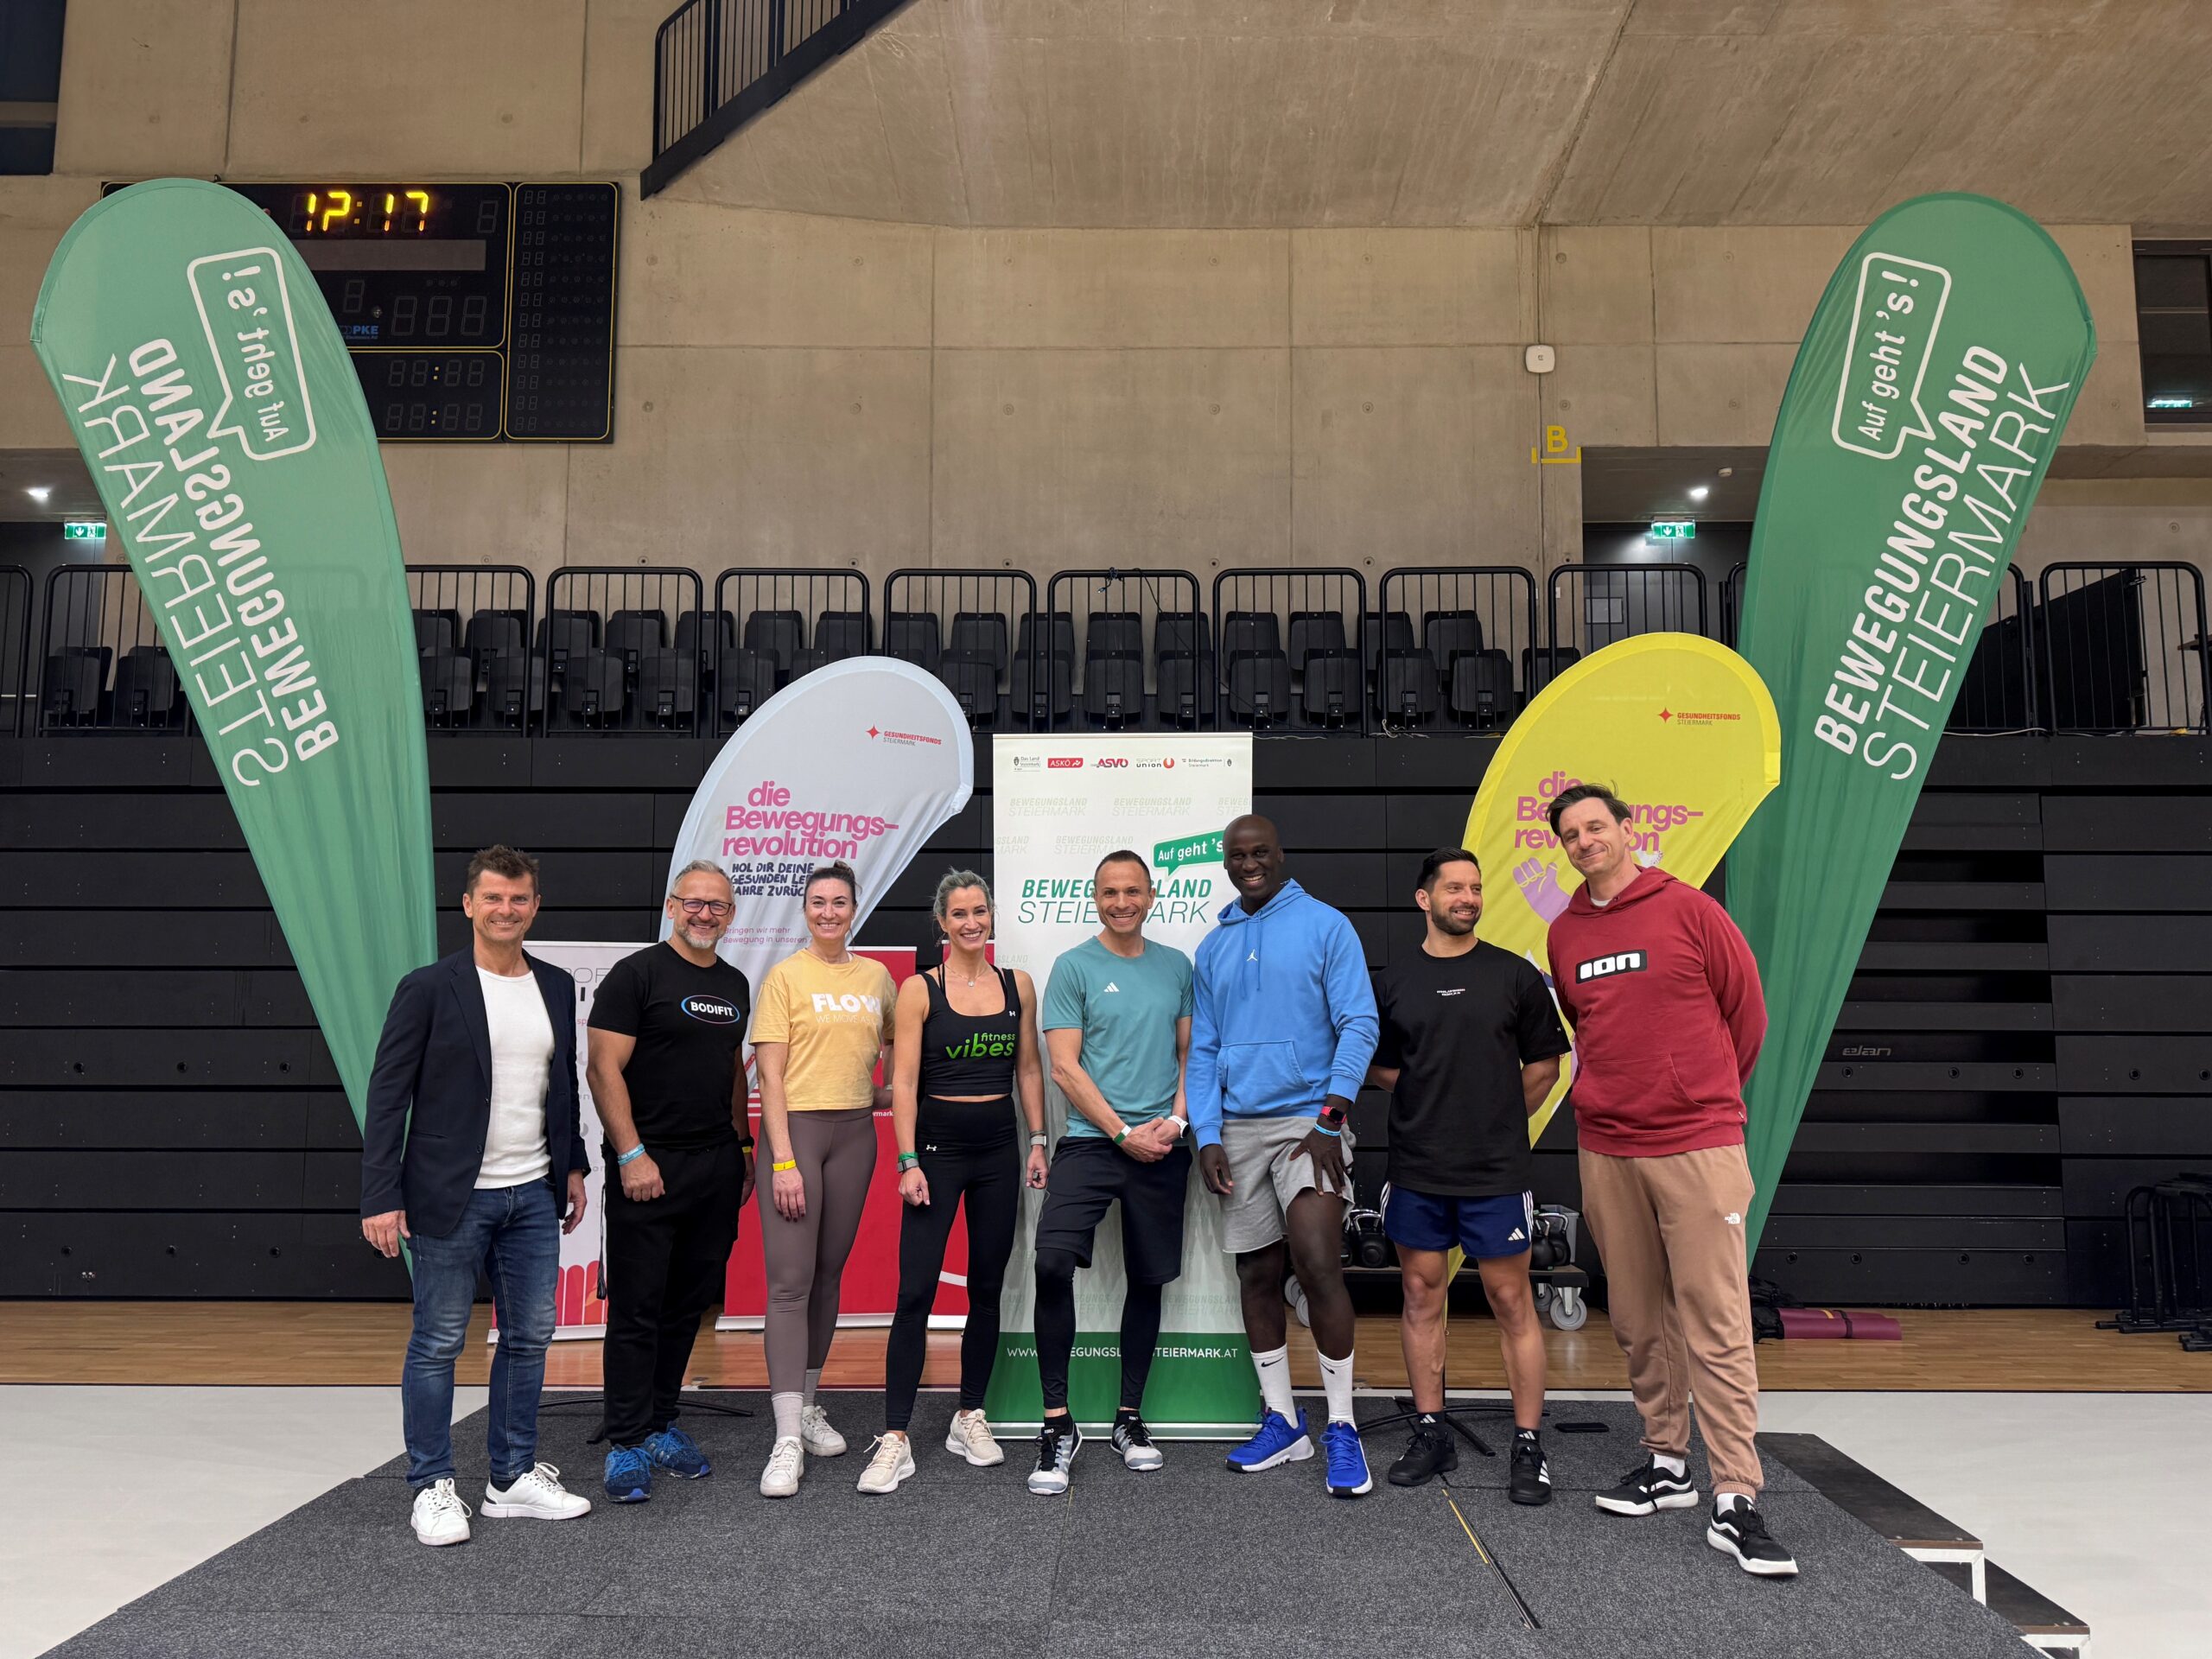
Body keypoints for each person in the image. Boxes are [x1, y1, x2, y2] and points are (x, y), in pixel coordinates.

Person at [1543, 782, 1795, 1578]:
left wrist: (1698, 1095)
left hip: (1696, 1144)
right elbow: (1587, 1027)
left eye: (1596, 826)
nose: (1586, 841)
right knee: (1638, 1318)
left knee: (1715, 1319)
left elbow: (1746, 1015)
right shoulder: (1563, 933)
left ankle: (1736, 1494)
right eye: (1571, 834)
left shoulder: (1690, 910)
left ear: (1626, 829)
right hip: (1606, 1147)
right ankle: (1667, 1462)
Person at [361, 844, 593, 1546]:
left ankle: (510, 1479)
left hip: (533, 1195)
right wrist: (380, 1194)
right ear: (468, 904)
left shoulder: (556, 985)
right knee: (437, 1342)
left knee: (529, 1337)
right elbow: (387, 1096)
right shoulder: (429, 988)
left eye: (519, 899)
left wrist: (573, 1166)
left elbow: (562, 1083)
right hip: (448, 1197)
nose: (506, 909)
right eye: (493, 897)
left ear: (535, 907)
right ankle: (431, 1484)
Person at [1185, 814, 1379, 1498]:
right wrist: (1207, 1133)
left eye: (1259, 852)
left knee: (1319, 1260)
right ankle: (1283, 1421)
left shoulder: (1326, 926)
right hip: (1239, 1126)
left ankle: (1343, 1426)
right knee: (1256, 1273)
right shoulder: (1214, 947)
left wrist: (1332, 1116)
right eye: (1237, 856)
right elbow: (1204, 1048)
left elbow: (1360, 1021)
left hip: (1310, 1120)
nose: (1249, 864)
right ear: (1226, 863)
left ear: (1280, 854)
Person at [1367, 849, 1567, 1503]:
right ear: (1424, 899)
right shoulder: (1394, 981)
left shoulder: (1514, 975)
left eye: (1475, 888)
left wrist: (1496, 1117)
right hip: (1419, 1167)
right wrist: (1435, 1099)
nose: (1468, 898)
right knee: (1421, 1294)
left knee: (1511, 1301)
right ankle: (1432, 1432)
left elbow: (1546, 1066)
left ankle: (1528, 1445)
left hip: (1495, 1172)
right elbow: (1379, 1065)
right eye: (1454, 888)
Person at [857, 872, 1050, 1495]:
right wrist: (906, 1160)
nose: (972, 923)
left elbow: (1028, 1069)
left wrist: (1038, 1139)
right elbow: (905, 1081)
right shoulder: (920, 989)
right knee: (914, 1293)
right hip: (936, 1155)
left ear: (991, 916)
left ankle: (969, 1415)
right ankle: (895, 1436)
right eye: (959, 914)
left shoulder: (1018, 985)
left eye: (980, 911)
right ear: (941, 922)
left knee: (987, 1290)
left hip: (998, 1152)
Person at [585, 861, 756, 1503]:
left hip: (714, 1168)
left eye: (718, 906)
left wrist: (742, 1146)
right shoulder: (637, 975)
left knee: (688, 1306)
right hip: (648, 1167)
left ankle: (659, 1422)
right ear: (672, 906)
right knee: (638, 1308)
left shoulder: (735, 984)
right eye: (694, 903)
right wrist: (632, 1155)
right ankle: (626, 1440)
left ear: (730, 915)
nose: (705, 914)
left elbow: (733, 1070)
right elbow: (602, 1068)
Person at [1025, 851, 1194, 1495]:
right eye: (1109, 892)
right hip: (1094, 1143)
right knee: (1050, 1263)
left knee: (1149, 1279)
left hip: (1162, 1144)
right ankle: (1057, 1423)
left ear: (1151, 896)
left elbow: (1191, 1054)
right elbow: (1064, 1067)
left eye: (1132, 891)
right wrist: (1123, 1133)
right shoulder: (1074, 967)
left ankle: (1129, 1417)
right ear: (1094, 898)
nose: (1121, 902)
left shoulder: (1177, 966)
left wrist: (1174, 1123)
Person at [750, 861, 898, 1498]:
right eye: (818, 902)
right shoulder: (785, 976)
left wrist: (892, 1093)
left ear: (854, 909)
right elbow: (770, 1076)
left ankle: (808, 1408)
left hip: (856, 1134)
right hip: (797, 1136)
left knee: (828, 1276)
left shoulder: (877, 978)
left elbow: (896, 1050)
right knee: (791, 1284)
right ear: (805, 910)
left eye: (839, 902)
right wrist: (784, 1161)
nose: (829, 912)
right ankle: (785, 1438)